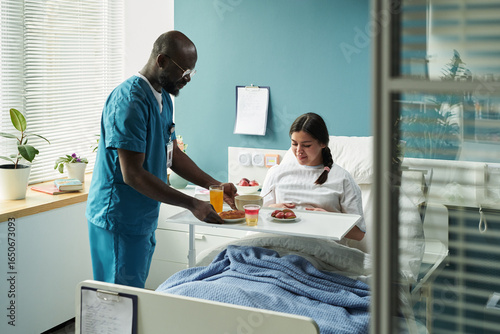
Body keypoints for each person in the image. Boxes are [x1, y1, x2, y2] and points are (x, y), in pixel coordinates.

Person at [85, 31, 237, 288]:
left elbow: (173, 153)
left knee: (132, 296)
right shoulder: (129, 101)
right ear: (162, 60)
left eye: (191, 72)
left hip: (141, 214)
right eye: (184, 71)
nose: (187, 78)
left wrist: (215, 185)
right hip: (119, 216)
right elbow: (132, 174)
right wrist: (192, 204)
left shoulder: (163, 96)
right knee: (117, 301)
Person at [260, 112, 365, 241]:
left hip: (321, 250)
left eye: (306, 145)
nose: (299, 150)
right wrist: (270, 209)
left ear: (323, 143)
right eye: (294, 144)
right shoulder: (276, 173)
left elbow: (359, 234)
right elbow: (257, 217)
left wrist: (330, 219)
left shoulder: (342, 179)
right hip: (278, 245)